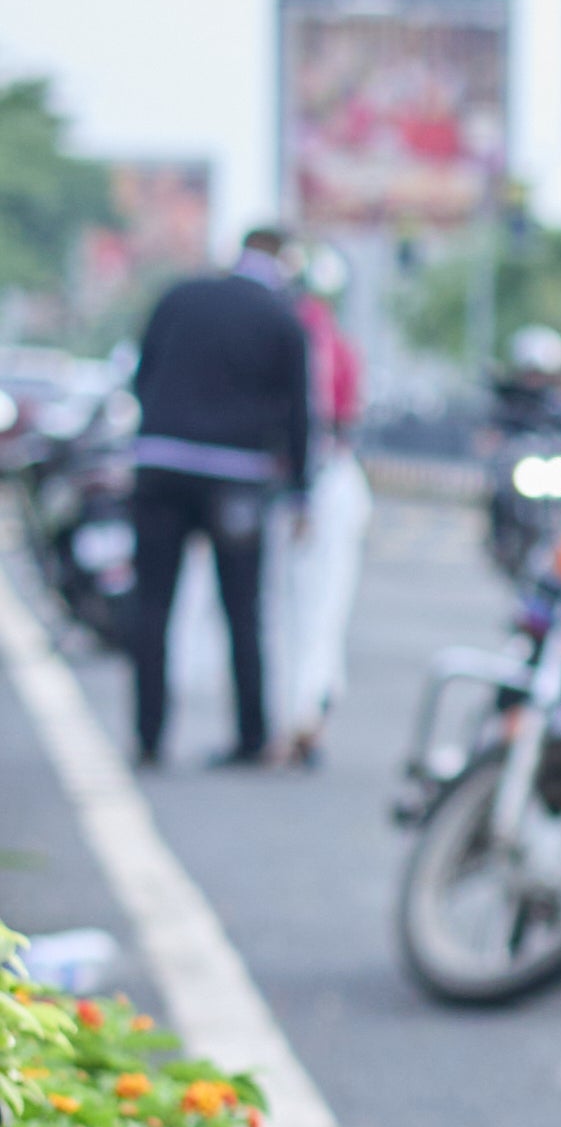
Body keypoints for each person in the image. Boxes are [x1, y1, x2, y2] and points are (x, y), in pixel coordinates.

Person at [123, 242, 312, 769]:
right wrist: (301, 492)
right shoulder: (281, 318)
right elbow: (300, 413)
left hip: (161, 466)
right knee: (242, 610)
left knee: (152, 606)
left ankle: (148, 737)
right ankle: (251, 738)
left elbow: (141, 375)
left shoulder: (178, 297)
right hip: (237, 480)